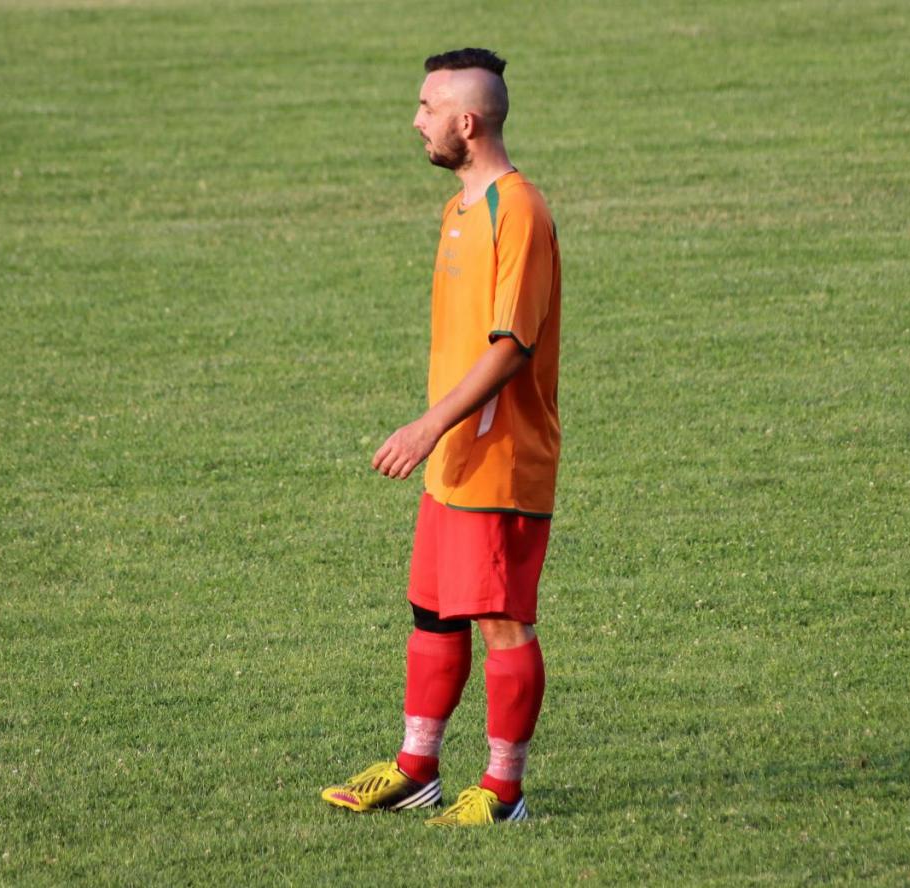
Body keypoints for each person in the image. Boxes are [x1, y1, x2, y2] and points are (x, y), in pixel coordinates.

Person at [321, 47, 562, 827]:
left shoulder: (517, 211)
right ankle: (416, 770)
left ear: (468, 121)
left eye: (428, 108)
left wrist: (428, 425)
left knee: (501, 621)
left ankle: (503, 793)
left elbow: (512, 345)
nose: (415, 120)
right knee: (432, 609)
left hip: (499, 458)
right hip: (454, 457)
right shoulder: (460, 209)